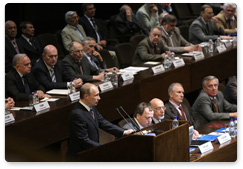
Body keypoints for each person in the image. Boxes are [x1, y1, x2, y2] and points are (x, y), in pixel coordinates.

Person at [66, 83, 134, 160]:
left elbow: (102, 122)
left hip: (92, 153)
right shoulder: (77, 114)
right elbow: (83, 140)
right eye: (96, 95)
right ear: (86, 96)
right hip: (80, 158)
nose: (99, 98)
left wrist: (123, 132)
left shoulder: (91, 106)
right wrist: (102, 148)